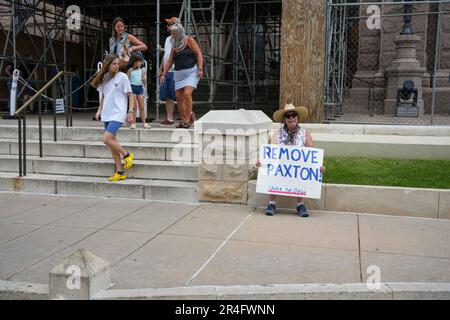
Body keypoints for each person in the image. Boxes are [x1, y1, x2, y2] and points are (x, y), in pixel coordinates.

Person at [259, 103, 324, 218]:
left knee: (300, 172)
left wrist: (317, 167)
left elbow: (311, 154)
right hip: (280, 166)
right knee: (274, 170)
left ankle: (300, 204)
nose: (291, 118)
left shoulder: (305, 134)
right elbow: (270, 154)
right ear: (284, 119)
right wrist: (262, 163)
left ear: (297, 117)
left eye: (293, 115)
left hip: (298, 167)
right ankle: (272, 203)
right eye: (288, 116)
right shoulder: (277, 134)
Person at [91, 54, 134, 182]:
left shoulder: (123, 77)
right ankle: (119, 171)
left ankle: (127, 155)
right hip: (107, 113)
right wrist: (99, 110)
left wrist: (130, 111)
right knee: (112, 143)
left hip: (118, 113)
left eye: (117, 63)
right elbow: (104, 96)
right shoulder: (104, 78)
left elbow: (130, 95)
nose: (116, 66)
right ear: (107, 65)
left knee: (106, 139)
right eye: (114, 64)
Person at [160, 23, 203, 129]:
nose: (172, 35)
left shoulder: (189, 40)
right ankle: (184, 119)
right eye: (172, 33)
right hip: (178, 73)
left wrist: (200, 68)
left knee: (187, 94)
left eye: (174, 33)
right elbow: (170, 61)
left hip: (191, 72)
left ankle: (187, 120)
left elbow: (198, 54)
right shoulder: (174, 44)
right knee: (179, 98)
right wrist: (163, 74)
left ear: (180, 33)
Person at [158, 17, 179, 126]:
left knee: (179, 95)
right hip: (167, 71)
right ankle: (170, 118)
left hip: (176, 71)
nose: (168, 27)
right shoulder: (167, 39)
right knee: (168, 96)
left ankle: (188, 115)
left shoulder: (181, 39)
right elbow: (165, 55)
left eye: (170, 24)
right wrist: (161, 68)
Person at [126, 53, 149, 129]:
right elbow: (127, 81)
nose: (140, 63)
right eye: (139, 61)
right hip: (132, 88)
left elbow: (144, 82)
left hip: (139, 88)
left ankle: (144, 123)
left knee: (142, 107)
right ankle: (133, 123)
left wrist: (144, 79)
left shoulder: (141, 70)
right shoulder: (130, 71)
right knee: (134, 107)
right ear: (134, 62)